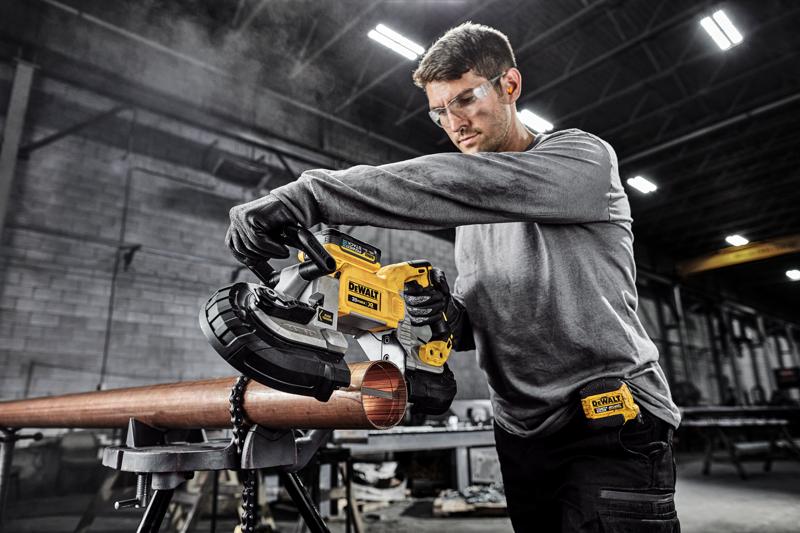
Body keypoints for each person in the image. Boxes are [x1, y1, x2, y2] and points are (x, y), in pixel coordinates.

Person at [226, 22, 681, 533]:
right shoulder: (473, 218)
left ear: (510, 85)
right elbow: (479, 320)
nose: (454, 123)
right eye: (440, 112)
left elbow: (462, 181)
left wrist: (309, 194)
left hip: (607, 420)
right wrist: (445, 315)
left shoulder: (583, 161)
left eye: (465, 100)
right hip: (520, 428)